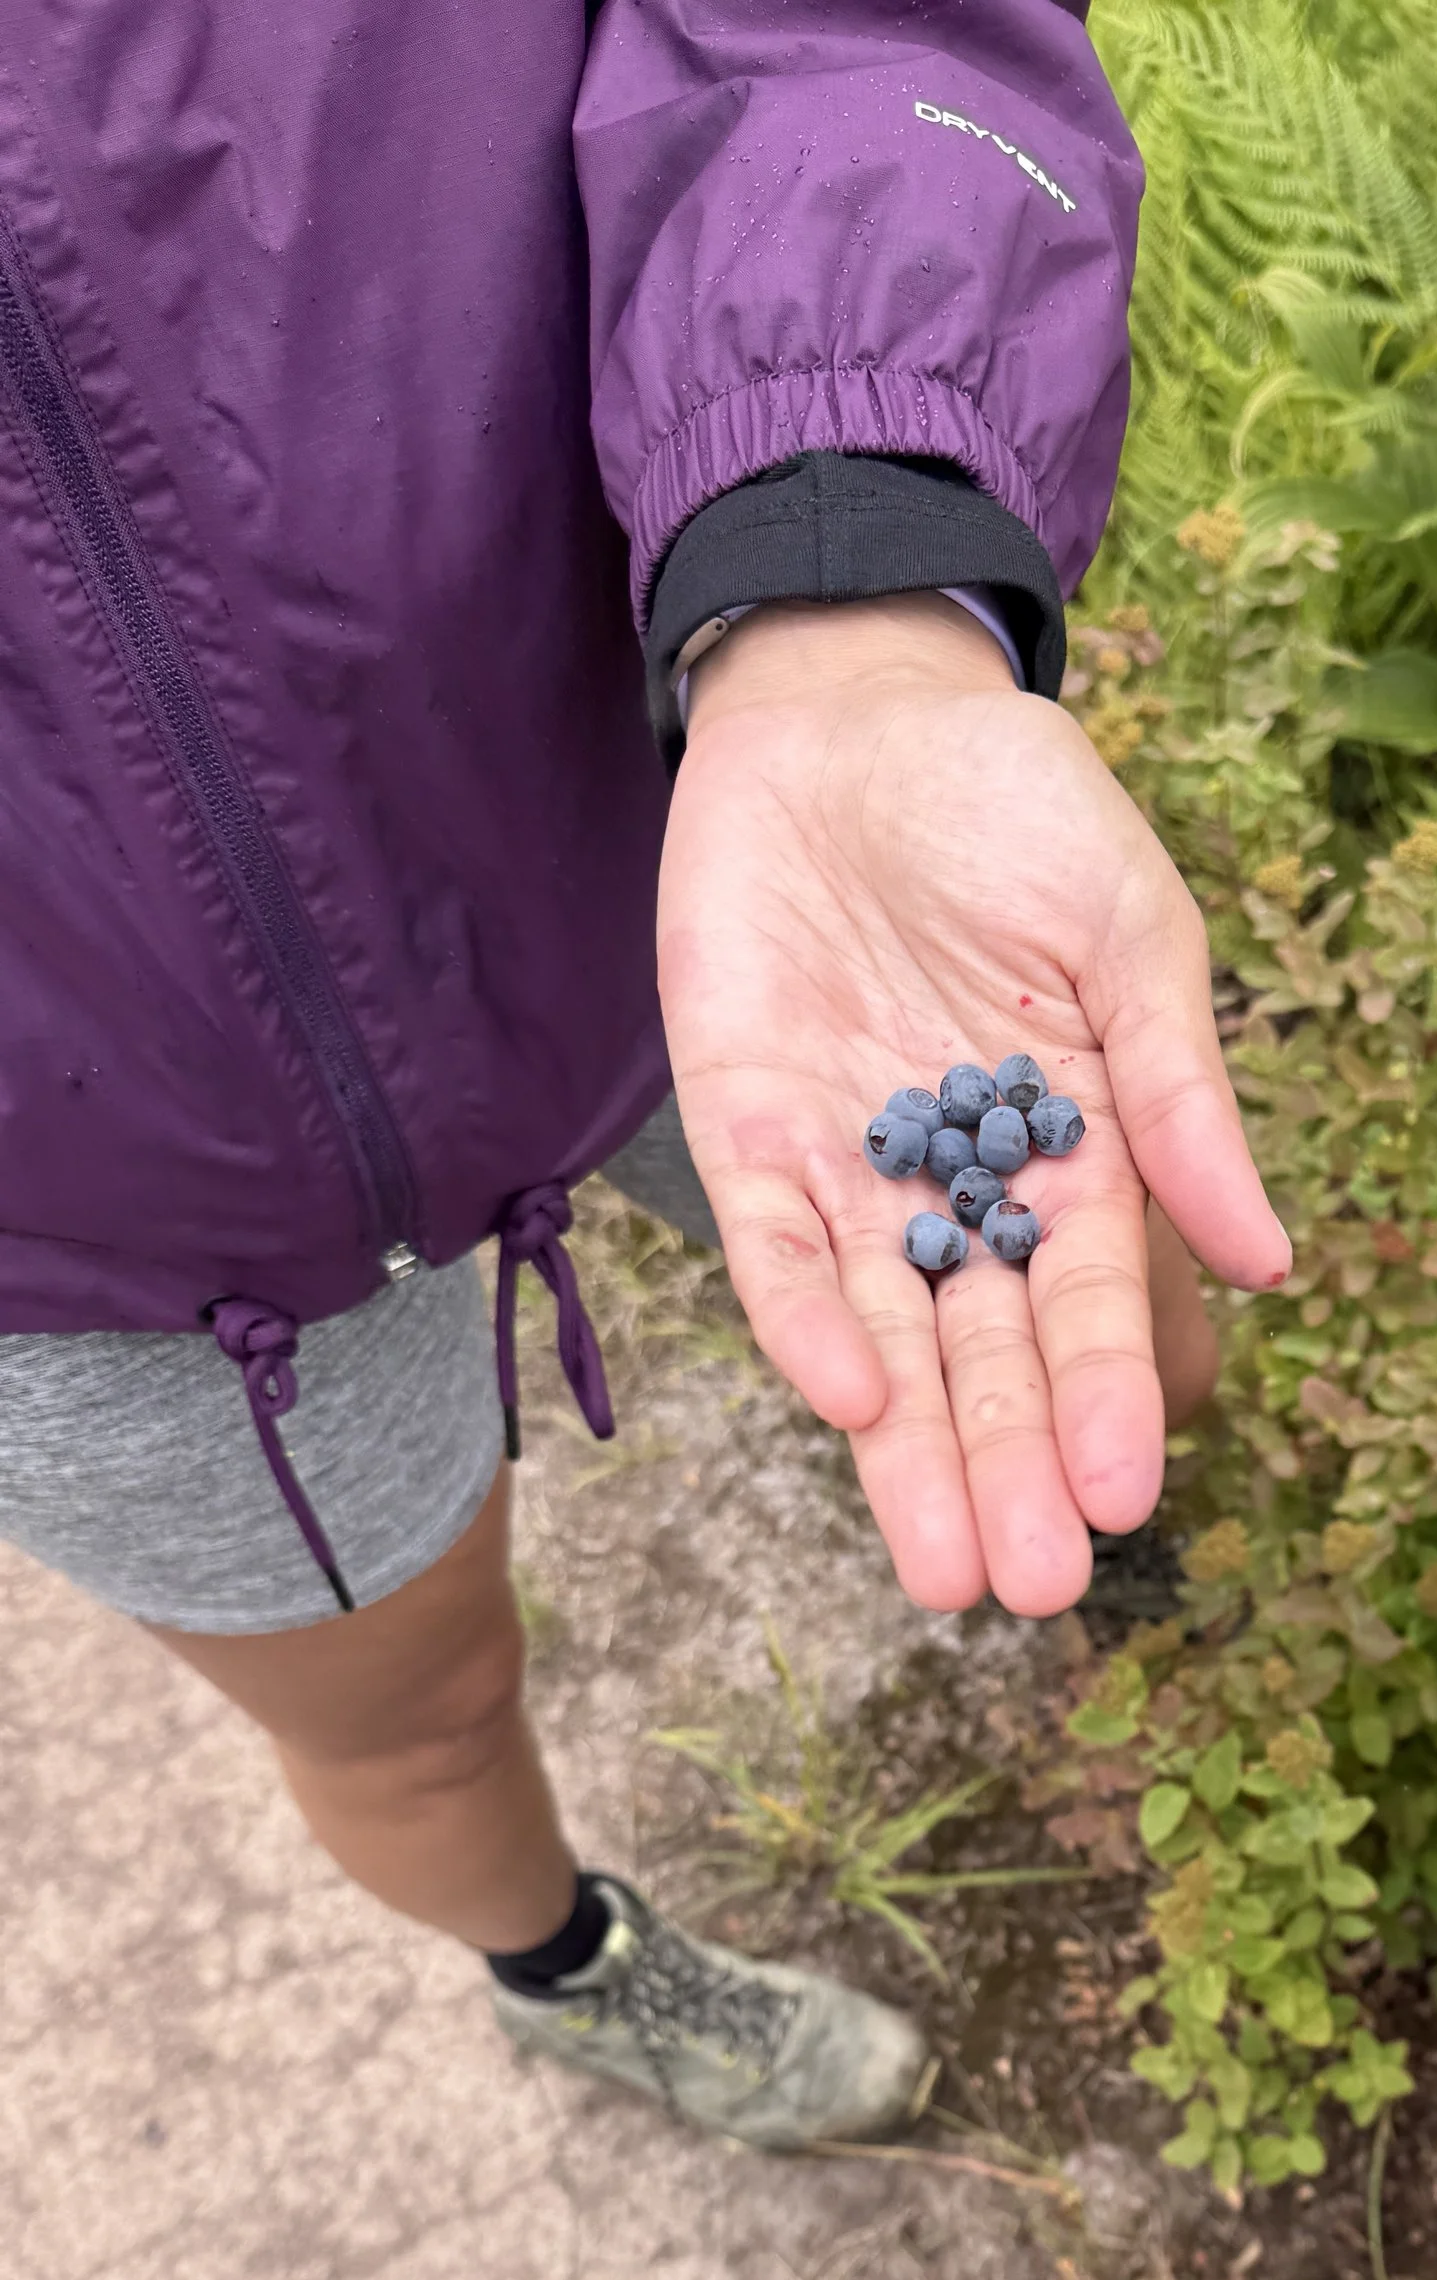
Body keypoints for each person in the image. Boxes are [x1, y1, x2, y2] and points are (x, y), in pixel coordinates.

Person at [0, 3, 1289, 2151]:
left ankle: (1119, 1552)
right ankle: (569, 1971)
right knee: (421, 1718)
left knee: (1104, 1312)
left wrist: (843, 584)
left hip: (685, 815)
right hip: (97, 1191)